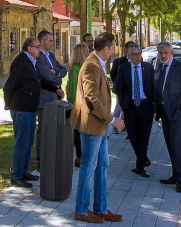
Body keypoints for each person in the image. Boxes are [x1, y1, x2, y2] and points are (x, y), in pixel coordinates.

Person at [71, 32, 126, 223]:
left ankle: (100, 208)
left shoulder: (97, 63)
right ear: (106, 48)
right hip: (92, 125)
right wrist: (112, 119)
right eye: (112, 48)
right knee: (88, 167)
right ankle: (81, 210)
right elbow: (91, 98)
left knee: (102, 165)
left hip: (99, 125)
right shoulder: (91, 66)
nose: (113, 51)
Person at [3, 37, 59, 188]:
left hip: (30, 108)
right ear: (29, 48)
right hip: (21, 108)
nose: (39, 50)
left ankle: (24, 172)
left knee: (28, 142)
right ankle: (17, 176)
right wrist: (8, 104)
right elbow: (9, 85)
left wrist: (55, 89)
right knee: (21, 142)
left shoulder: (31, 61)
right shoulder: (21, 62)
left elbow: (39, 81)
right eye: (37, 47)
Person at [154, 41, 181, 193]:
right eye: (161, 53)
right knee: (170, 144)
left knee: (176, 145)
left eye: (166, 53)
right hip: (164, 112)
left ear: (171, 53)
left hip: (177, 113)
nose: (163, 55)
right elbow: (157, 91)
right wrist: (156, 110)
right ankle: (175, 175)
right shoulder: (159, 68)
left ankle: (180, 181)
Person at [113, 43, 155, 176]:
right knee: (132, 135)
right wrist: (124, 106)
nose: (138, 57)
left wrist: (154, 108)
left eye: (139, 54)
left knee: (144, 136)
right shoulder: (124, 68)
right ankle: (143, 159)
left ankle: (140, 167)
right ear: (129, 56)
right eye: (135, 55)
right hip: (130, 106)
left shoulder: (148, 67)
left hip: (145, 105)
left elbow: (154, 87)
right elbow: (120, 88)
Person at [34, 30, 68, 166]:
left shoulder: (51, 56)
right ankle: (41, 160)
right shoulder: (39, 57)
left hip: (55, 97)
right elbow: (47, 76)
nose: (53, 43)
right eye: (51, 41)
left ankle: (51, 156)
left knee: (53, 129)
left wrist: (57, 72)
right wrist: (57, 78)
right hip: (44, 98)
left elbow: (64, 69)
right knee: (43, 130)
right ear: (42, 42)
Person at [66, 43, 92, 167]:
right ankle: (79, 157)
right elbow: (72, 90)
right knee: (78, 133)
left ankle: (83, 156)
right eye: (86, 51)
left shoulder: (85, 67)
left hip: (85, 105)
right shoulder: (75, 69)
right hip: (78, 106)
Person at [109, 41, 138, 137]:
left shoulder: (137, 60)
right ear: (126, 50)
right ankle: (114, 125)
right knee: (119, 106)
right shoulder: (119, 61)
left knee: (129, 108)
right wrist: (118, 84)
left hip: (132, 88)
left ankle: (124, 125)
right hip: (121, 89)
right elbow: (113, 74)